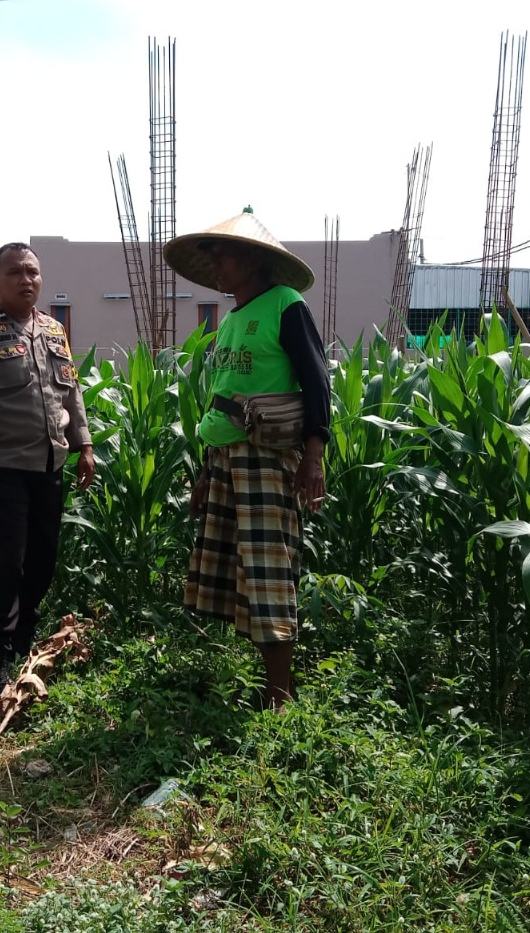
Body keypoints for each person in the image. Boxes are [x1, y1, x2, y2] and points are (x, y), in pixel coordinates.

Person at [164, 208, 330, 711]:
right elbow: (224, 397)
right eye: (212, 257)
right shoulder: (233, 319)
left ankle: (279, 697)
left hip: (265, 457)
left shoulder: (287, 305)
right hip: (226, 458)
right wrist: (205, 472)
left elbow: (317, 382)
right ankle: (264, 684)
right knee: (239, 572)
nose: (215, 265)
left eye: (224, 256)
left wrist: (314, 457)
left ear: (254, 260)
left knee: (268, 570)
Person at [0, 242, 96, 695]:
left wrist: (85, 445)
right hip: (0, 466)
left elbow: (71, 393)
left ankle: (21, 642)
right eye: (14, 272)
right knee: (5, 563)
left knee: (42, 561)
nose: (25, 280)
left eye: (32, 272)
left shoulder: (54, 330)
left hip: (49, 464)